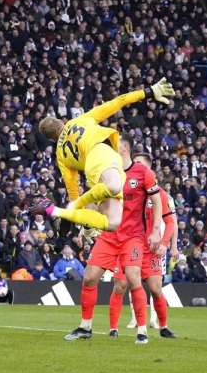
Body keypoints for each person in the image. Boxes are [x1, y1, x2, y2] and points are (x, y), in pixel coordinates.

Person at [29, 79, 174, 235]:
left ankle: (56, 211)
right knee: (114, 186)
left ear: (51, 140)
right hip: (101, 153)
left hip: (94, 175)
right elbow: (119, 101)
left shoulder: (60, 156)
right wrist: (149, 92)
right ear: (61, 121)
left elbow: (73, 190)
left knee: (112, 223)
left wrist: (75, 208)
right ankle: (75, 213)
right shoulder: (81, 119)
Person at [62, 134, 161, 344]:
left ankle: (142, 331)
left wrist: (155, 230)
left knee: (134, 279)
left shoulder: (144, 172)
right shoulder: (107, 171)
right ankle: (85, 327)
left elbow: (157, 201)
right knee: (89, 278)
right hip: (108, 235)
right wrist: (85, 228)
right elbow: (97, 202)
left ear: (124, 147)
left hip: (132, 237)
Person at [110, 152, 177, 339]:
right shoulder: (123, 189)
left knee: (156, 289)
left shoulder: (159, 195)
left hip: (150, 249)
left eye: (139, 164)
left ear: (148, 169)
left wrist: (165, 243)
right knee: (120, 285)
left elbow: (170, 221)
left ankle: (163, 326)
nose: (134, 167)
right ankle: (113, 328)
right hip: (128, 243)